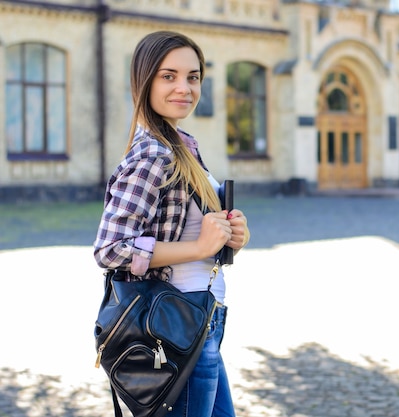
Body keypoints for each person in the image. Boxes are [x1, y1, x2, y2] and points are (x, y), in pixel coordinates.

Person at [93, 30, 249, 417]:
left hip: (200, 318)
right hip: (172, 324)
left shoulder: (183, 145)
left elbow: (189, 229)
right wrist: (199, 248)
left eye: (193, 77)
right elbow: (111, 249)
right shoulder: (152, 155)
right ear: (144, 81)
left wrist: (230, 235)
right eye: (169, 76)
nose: (184, 87)